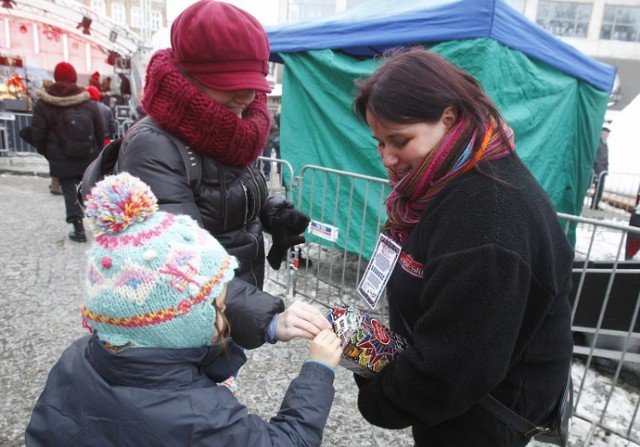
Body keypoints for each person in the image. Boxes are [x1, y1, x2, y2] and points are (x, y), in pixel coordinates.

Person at [351, 47, 574, 446]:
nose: (386, 158)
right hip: (470, 406)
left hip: (481, 418)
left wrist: (380, 398)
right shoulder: (458, 181)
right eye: (379, 143)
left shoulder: (486, 218)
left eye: (399, 140)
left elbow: (453, 370)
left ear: (448, 118)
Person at [25, 172, 342, 447]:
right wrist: (318, 371)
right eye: (217, 307)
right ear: (176, 322)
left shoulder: (77, 358)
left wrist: (265, 330)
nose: (225, 319)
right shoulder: (202, 417)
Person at [110, 0, 308, 288]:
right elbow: (181, 263)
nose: (246, 96)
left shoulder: (231, 130)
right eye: (230, 84)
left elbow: (223, 194)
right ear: (188, 77)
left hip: (234, 305)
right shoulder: (152, 147)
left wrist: (272, 212)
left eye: (254, 84)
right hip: (194, 317)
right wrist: (265, 317)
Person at [30, 61, 104, 242]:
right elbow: (100, 131)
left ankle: (79, 229)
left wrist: (47, 152)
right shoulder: (88, 103)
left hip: (60, 155)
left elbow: (38, 133)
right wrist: (97, 150)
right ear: (74, 77)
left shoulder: (44, 104)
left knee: (69, 190)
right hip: (87, 154)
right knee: (91, 189)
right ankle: (104, 226)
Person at [591, 125, 610, 210]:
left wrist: (606, 168)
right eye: (605, 132)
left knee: (599, 189)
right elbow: (595, 156)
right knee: (591, 186)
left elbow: (605, 157)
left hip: (602, 170)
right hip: (596, 169)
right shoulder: (598, 143)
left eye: (608, 133)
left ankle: (595, 204)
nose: (607, 134)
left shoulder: (605, 144)